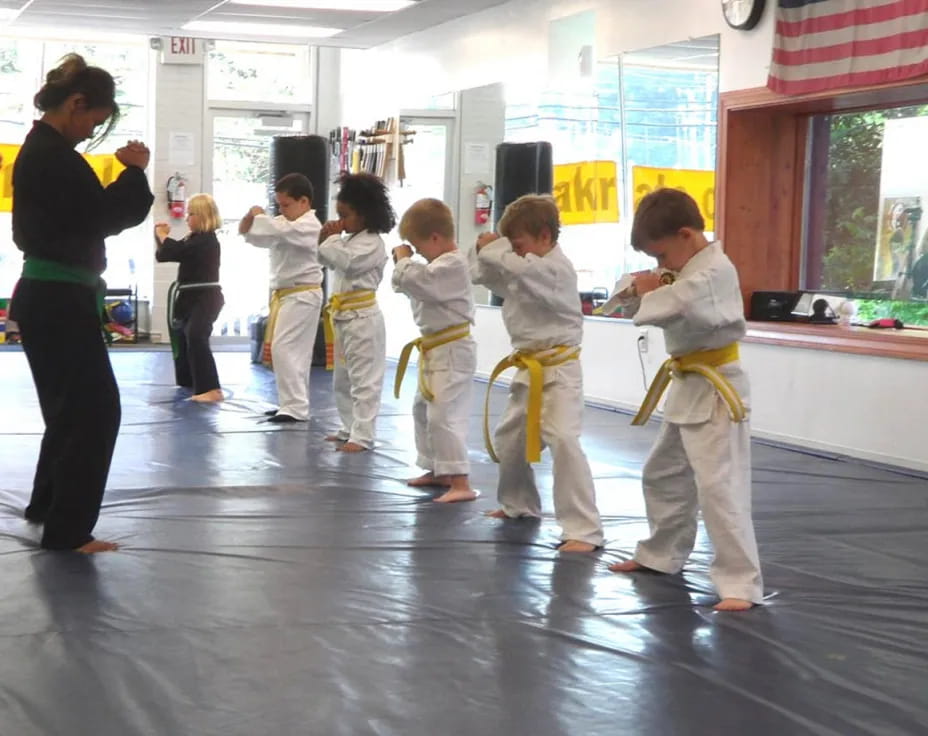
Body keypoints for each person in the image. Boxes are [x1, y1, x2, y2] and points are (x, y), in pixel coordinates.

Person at [10, 54, 153, 553]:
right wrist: (133, 173)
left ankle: (48, 505)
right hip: (58, 298)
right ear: (76, 103)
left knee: (70, 411)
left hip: (49, 296)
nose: (92, 131)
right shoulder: (54, 158)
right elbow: (106, 216)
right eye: (94, 120)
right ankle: (68, 530)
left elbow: (89, 215)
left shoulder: (46, 151)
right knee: (95, 411)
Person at [608, 188, 763, 612]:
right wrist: (640, 285)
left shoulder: (714, 271)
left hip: (717, 389)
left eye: (662, 254)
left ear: (686, 234)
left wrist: (649, 289)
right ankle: (661, 554)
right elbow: (644, 297)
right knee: (663, 474)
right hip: (688, 384)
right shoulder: (683, 270)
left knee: (719, 488)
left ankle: (740, 584)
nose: (661, 264)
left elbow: (678, 302)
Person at [470, 194, 603, 553]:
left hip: (560, 372)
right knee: (510, 440)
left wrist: (496, 247)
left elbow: (516, 268)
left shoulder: (555, 270)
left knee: (563, 439)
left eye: (519, 244)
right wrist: (483, 248)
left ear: (545, 236)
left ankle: (584, 529)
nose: (514, 252)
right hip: (529, 369)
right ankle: (519, 503)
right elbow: (483, 275)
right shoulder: (524, 267)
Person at [392, 198, 477, 503]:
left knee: (444, 414)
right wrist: (404, 264)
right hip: (434, 348)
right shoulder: (434, 266)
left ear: (436, 238)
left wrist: (403, 261)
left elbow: (419, 281)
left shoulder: (453, 264)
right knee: (422, 409)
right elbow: (407, 284)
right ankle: (437, 468)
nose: (416, 252)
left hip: (453, 349)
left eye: (418, 246)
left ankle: (461, 481)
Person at [318, 173, 393, 452]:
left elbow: (346, 263)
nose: (340, 221)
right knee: (343, 379)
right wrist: (325, 238)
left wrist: (331, 239)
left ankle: (363, 435)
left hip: (363, 319)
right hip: (343, 317)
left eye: (344, 215)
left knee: (364, 380)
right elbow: (325, 258)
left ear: (364, 215)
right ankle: (349, 426)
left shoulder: (372, 243)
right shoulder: (349, 239)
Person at [239, 173, 323, 423]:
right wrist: (249, 219)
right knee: (294, 352)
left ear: (304, 202)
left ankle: (295, 406)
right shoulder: (285, 224)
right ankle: (292, 404)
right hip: (289, 296)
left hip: (302, 294)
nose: (282, 210)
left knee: (284, 348)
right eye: (279, 206)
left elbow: (276, 229)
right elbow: (256, 236)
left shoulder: (309, 225)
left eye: (286, 205)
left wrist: (259, 216)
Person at [155, 193, 224, 402]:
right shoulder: (192, 239)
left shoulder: (207, 241)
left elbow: (177, 251)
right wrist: (159, 237)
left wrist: (163, 235)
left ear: (202, 216)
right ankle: (190, 380)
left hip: (206, 297)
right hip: (190, 296)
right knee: (184, 335)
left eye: (191, 214)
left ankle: (211, 389)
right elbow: (164, 255)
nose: (187, 218)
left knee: (196, 335)